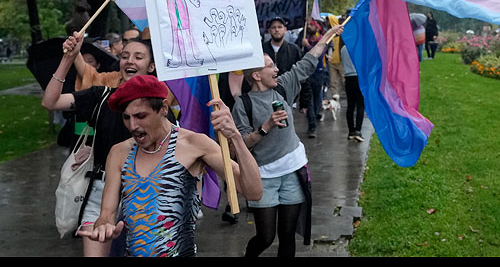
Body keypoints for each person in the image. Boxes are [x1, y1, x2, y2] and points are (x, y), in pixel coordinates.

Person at [76, 74, 262, 257]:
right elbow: (107, 214)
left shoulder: (195, 145)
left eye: (141, 116)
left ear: (164, 108)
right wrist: (105, 228)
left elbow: (253, 192)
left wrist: (235, 137)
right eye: (126, 117)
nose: (132, 125)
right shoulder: (119, 153)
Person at [42, 34, 168, 256]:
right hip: (99, 193)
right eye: (125, 56)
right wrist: (67, 59)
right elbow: (50, 102)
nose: (129, 61)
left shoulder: (159, 107)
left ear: (151, 67)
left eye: (138, 57)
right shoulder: (101, 96)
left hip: (144, 195)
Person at [233, 23, 344, 257]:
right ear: (256, 75)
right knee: (265, 237)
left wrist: (326, 36)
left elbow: (307, 62)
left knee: (287, 236)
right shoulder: (243, 104)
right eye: (270, 66)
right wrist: (266, 126)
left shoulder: (283, 87)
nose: (276, 68)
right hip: (263, 176)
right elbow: (241, 145)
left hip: (293, 171)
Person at [299, 19, 329, 138]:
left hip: (318, 73)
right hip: (307, 74)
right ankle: (312, 126)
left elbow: (319, 54)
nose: (309, 27)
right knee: (309, 100)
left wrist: (308, 46)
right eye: (309, 25)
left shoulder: (321, 40)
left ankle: (315, 118)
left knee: (317, 99)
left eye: (312, 25)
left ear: (317, 28)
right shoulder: (304, 37)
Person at [340, 38, 364, 142]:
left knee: (350, 105)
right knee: (360, 105)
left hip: (348, 78)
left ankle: (351, 130)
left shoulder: (343, 49)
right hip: (359, 77)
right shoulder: (359, 48)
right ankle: (358, 130)